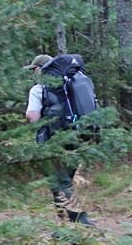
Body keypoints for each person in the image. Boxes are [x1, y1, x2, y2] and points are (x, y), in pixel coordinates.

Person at [25, 54, 94, 226]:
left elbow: (32, 117)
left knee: (60, 182)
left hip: (54, 141)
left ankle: (81, 222)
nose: (33, 72)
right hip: (78, 136)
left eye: (34, 69)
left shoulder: (39, 89)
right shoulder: (74, 83)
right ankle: (64, 224)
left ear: (41, 68)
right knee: (62, 182)